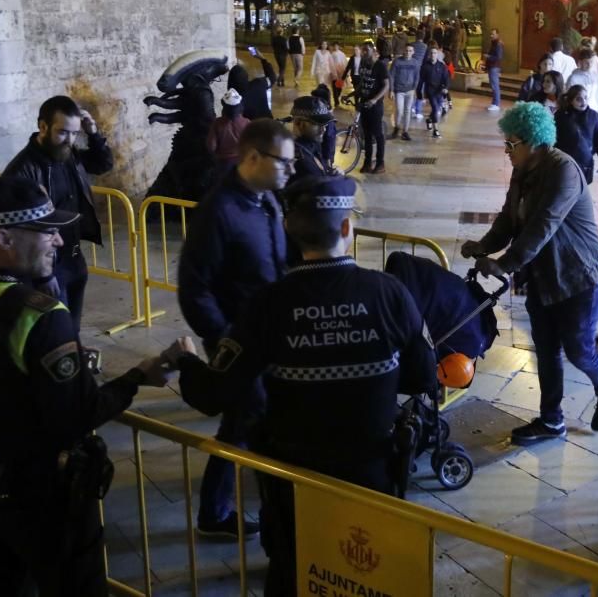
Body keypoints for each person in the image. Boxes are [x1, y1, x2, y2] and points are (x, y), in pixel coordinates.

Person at [0, 175, 178, 594]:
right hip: (43, 493)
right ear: (2, 237)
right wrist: (137, 377)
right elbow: (76, 415)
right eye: (45, 231)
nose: (57, 241)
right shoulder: (37, 315)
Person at [174, 175, 439, 597]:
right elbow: (424, 376)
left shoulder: (267, 304)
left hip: (292, 484)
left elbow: (213, 393)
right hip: (368, 478)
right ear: (347, 230)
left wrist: (185, 360)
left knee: (294, 574)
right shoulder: (389, 293)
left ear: (291, 235)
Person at [461, 102, 598, 445]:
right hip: (543, 277)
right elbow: (509, 218)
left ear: (534, 141)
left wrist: (505, 264)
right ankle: (551, 420)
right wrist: (484, 246)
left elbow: (542, 226)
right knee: (546, 350)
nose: (507, 151)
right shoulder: (523, 170)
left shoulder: (563, 170)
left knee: (579, 350)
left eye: (512, 144)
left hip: (578, 278)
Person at [178, 119, 293, 539]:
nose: (289, 172)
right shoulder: (219, 211)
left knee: (248, 418)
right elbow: (195, 288)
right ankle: (215, 512)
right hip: (239, 341)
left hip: (268, 335)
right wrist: (226, 339)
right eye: (283, 163)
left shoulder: (265, 201)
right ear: (253, 157)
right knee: (244, 419)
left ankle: (240, 503)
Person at [3, 96, 113, 333]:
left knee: (72, 330)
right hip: (48, 266)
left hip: (74, 257)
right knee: (55, 332)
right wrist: (43, 274)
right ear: (42, 126)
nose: (70, 140)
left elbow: (103, 164)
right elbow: (21, 229)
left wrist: (93, 134)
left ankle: (74, 365)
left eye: (74, 133)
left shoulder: (68, 154)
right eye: (63, 132)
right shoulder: (23, 170)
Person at [554, 85, 598, 184]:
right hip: (565, 163)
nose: (583, 102)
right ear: (571, 100)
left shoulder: (593, 116)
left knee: (582, 190)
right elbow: (554, 140)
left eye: (585, 98)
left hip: (585, 162)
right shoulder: (561, 116)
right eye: (578, 99)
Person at [357, 42, 391, 175]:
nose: (364, 53)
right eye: (362, 50)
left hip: (375, 106)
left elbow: (386, 85)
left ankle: (380, 162)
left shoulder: (380, 66)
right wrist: (354, 94)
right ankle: (367, 162)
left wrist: (375, 99)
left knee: (377, 134)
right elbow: (362, 82)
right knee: (366, 135)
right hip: (364, 103)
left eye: (366, 50)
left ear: (373, 50)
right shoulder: (363, 64)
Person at [289, 95, 337, 182]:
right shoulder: (298, 159)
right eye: (318, 124)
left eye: (325, 125)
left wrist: (331, 172)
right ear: (298, 123)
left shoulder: (312, 144)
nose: (324, 129)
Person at [206, 88, 250, 179]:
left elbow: (211, 147)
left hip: (223, 164)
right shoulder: (247, 123)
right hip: (244, 163)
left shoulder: (217, 123)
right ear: (240, 106)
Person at [227, 50, 276, 121]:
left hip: (250, 129)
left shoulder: (233, 98)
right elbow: (272, 78)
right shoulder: (259, 84)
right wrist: (263, 59)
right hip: (267, 124)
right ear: (246, 76)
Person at [566, 49, 598, 124]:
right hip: (579, 112)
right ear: (580, 62)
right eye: (586, 62)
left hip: (594, 111)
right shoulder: (573, 78)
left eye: (591, 62)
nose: (589, 65)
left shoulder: (596, 77)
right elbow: (569, 98)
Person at [417, 47, 450, 139]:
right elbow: (421, 80)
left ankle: (429, 119)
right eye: (431, 53)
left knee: (437, 109)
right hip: (430, 91)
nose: (433, 55)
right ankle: (436, 130)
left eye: (435, 53)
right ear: (429, 55)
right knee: (435, 108)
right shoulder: (425, 67)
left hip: (439, 91)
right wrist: (419, 92)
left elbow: (446, 78)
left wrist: (446, 88)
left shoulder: (441, 66)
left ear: (437, 55)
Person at [389, 44, 419, 141]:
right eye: (406, 50)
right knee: (400, 111)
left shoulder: (415, 63)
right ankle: (397, 128)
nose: (408, 52)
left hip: (410, 90)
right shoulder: (397, 62)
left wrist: (414, 88)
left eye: (410, 51)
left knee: (407, 111)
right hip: (399, 91)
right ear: (403, 51)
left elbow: (417, 76)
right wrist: (391, 90)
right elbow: (391, 76)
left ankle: (405, 131)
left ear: (413, 52)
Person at [483, 28, 505, 111]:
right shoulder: (494, 43)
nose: (491, 35)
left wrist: (488, 57)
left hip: (494, 67)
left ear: (497, 34)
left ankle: (496, 104)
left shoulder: (498, 44)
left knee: (495, 85)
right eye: (491, 34)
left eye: (493, 34)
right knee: (493, 85)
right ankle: (494, 103)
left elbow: (498, 57)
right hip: (492, 66)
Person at [328, 42, 347, 108]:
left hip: (341, 72)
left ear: (338, 46)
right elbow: (330, 63)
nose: (335, 47)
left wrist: (345, 71)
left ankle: (336, 97)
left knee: (339, 87)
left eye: (337, 46)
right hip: (334, 71)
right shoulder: (332, 54)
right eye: (334, 46)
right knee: (334, 86)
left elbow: (344, 62)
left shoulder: (342, 54)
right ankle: (336, 101)